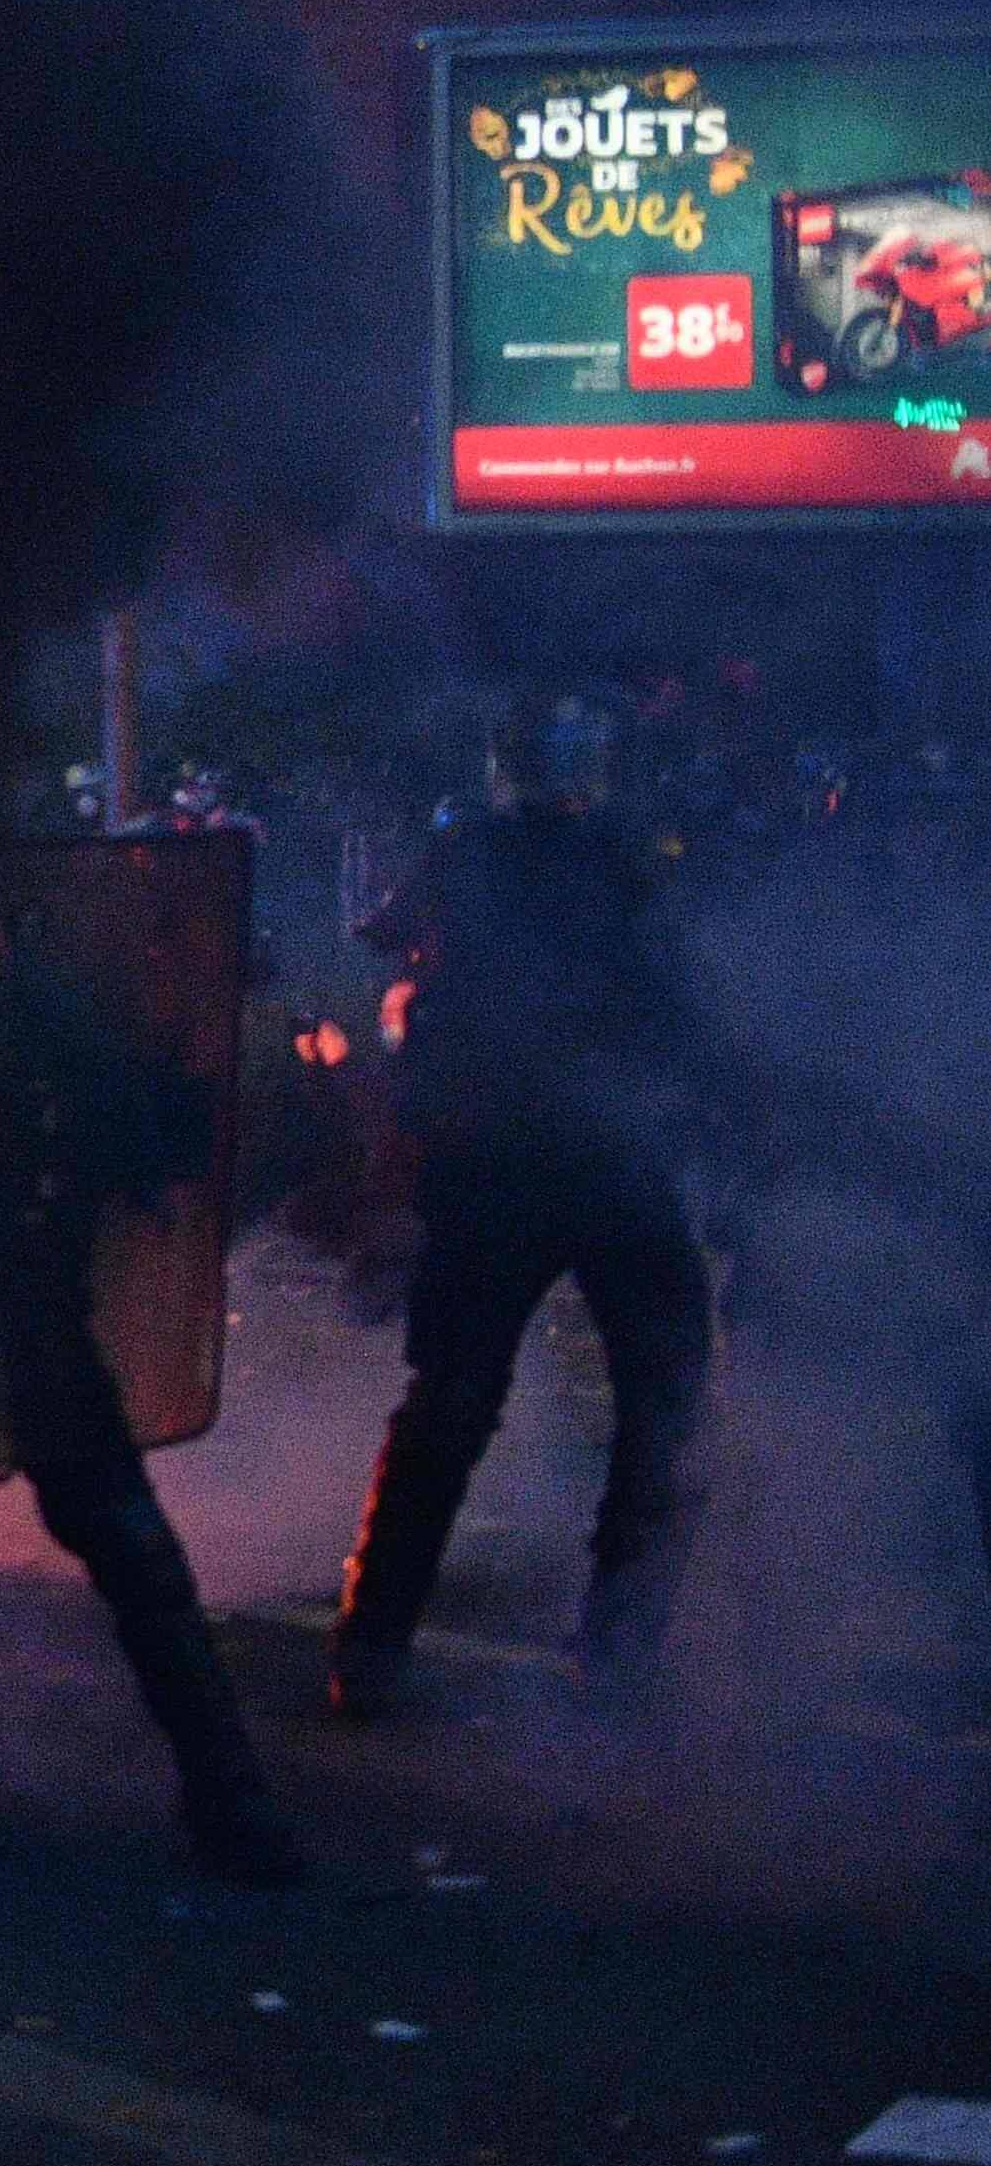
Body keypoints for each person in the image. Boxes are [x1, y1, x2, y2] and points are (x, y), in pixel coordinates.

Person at [0, 842, 304, 1884]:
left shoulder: (28, 1020)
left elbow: (150, 1138)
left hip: (16, 1323)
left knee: (104, 1549)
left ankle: (227, 1799)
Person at [331, 694, 714, 1719]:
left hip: (512, 1163)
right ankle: (617, 1649)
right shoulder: (620, 862)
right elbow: (684, 1005)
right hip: (586, 1161)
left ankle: (375, 1645)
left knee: (456, 1405)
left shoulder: (473, 856)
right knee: (661, 1402)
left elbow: (390, 953)